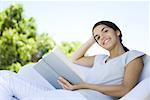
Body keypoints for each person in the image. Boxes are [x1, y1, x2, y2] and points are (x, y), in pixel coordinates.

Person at [0, 21, 145, 100]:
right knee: (5, 78)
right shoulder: (100, 58)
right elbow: (74, 59)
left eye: (105, 31)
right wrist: (92, 39)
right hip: (71, 94)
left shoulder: (132, 56)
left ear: (117, 32)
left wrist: (84, 86)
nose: (102, 37)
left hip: (85, 98)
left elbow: (125, 89)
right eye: (98, 37)